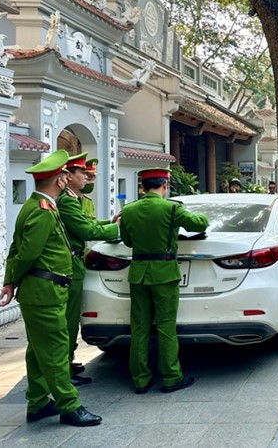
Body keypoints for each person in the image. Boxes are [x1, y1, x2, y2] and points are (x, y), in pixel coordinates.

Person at [0, 150, 103, 427]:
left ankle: (38, 402)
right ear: (58, 181)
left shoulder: (36, 206)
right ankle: (70, 405)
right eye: (66, 175)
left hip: (41, 289)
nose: (69, 179)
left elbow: (15, 248)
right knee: (56, 349)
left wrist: (11, 280)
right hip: (44, 290)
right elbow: (27, 253)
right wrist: (12, 281)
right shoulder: (43, 212)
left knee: (37, 350)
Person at [120, 169, 209, 394]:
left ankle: (140, 379)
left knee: (139, 328)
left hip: (138, 273)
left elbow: (127, 241)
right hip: (165, 273)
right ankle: (171, 377)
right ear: (165, 185)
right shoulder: (171, 208)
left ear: (143, 186)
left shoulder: (128, 210)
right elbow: (199, 224)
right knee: (165, 327)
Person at [57, 153, 120, 387]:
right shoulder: (66, 201)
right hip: (69, 265)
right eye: (82, 173)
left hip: (74, 263)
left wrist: (111, 222)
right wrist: (116, 230)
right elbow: (86, 230)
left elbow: (90, 223)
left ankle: (67, 360)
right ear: (68, 175)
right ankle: (64, 366)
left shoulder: (74, 199)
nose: (86, 177)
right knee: (69, 320)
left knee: (71, 318)